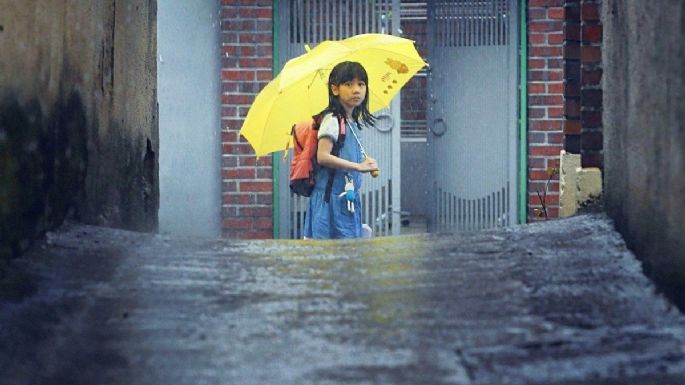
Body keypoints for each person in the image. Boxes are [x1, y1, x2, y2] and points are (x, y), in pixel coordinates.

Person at [303, 61, 379, 239]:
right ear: (335, 89)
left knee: (348, 255)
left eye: (361, 84)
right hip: (330, 201)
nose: (356, 90)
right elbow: (323, 157)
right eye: (348, 84)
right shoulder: (332, 119)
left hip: (347, 199)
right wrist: (358, 166)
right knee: (330, 257)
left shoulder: (351, 121)